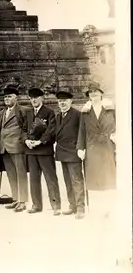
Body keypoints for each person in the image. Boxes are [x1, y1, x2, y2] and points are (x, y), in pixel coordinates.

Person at [77, 81, 116, 216]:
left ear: (101, 94)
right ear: (89, 96)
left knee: (108, 178)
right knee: (94, 180)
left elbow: (119, 125)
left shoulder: (110, 109)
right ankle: (96, 209)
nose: (93, 95)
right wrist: (80, 148)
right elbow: (81, 131)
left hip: (107, 147)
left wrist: (116, 137)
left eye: (96, 92)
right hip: (92, 147)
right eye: (91, 93)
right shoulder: (85, 112)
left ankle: (109, 208)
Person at [23, 87, 61, 216]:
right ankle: (36, 205)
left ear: (42, 98)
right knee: (33, 180)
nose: (33, 100)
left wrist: (40, 141)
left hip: (44, 150)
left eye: (36, 97)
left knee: (51, 179)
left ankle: (56, 205)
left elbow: (51, 130)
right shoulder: (28, 113)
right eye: (31, 98)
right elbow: (23, 129)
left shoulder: (49, 112)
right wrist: (26, 140)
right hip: (31, 151)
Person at [0, 85, 28, 212]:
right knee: (11, 175)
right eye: (5, 97)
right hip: (4, 148)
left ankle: (23, 201)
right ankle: (15, 199)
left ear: (16, 97)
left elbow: (26, 128)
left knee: (21, 175)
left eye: (9, 96)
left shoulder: (23, 111)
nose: (6, 99)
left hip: (17, 147)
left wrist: (23, 141)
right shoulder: (2, 113)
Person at [55, 88, 85, 219]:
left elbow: (82, 133)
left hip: (73, 153)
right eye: (60, 101)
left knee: (76, 181)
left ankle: (80, 208)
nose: (62, 103)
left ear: (71, 101)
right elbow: (53, 133)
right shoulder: (57, 116)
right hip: (62, 152)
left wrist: (80, 148)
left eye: (65, 101)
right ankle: (72, 206)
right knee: (68, 181)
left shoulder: (77, 114)